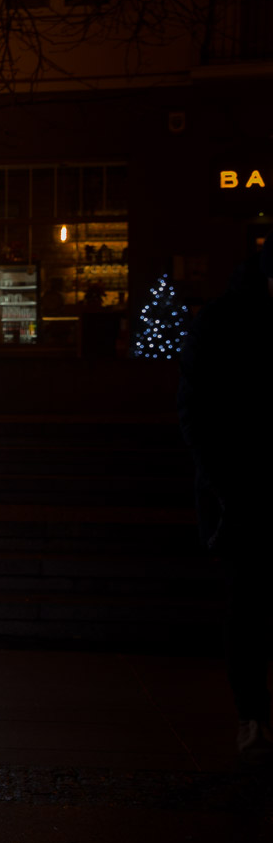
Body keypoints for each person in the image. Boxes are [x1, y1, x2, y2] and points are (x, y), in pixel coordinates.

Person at [181, 240, 273, 763]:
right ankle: (253, 716)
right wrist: (225, 486)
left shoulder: (221, 322)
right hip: (242, 489)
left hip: (239, 486)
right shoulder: (222, 324)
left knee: (248, 606)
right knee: (248, 605)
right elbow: (197, 412)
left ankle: (254, 718)